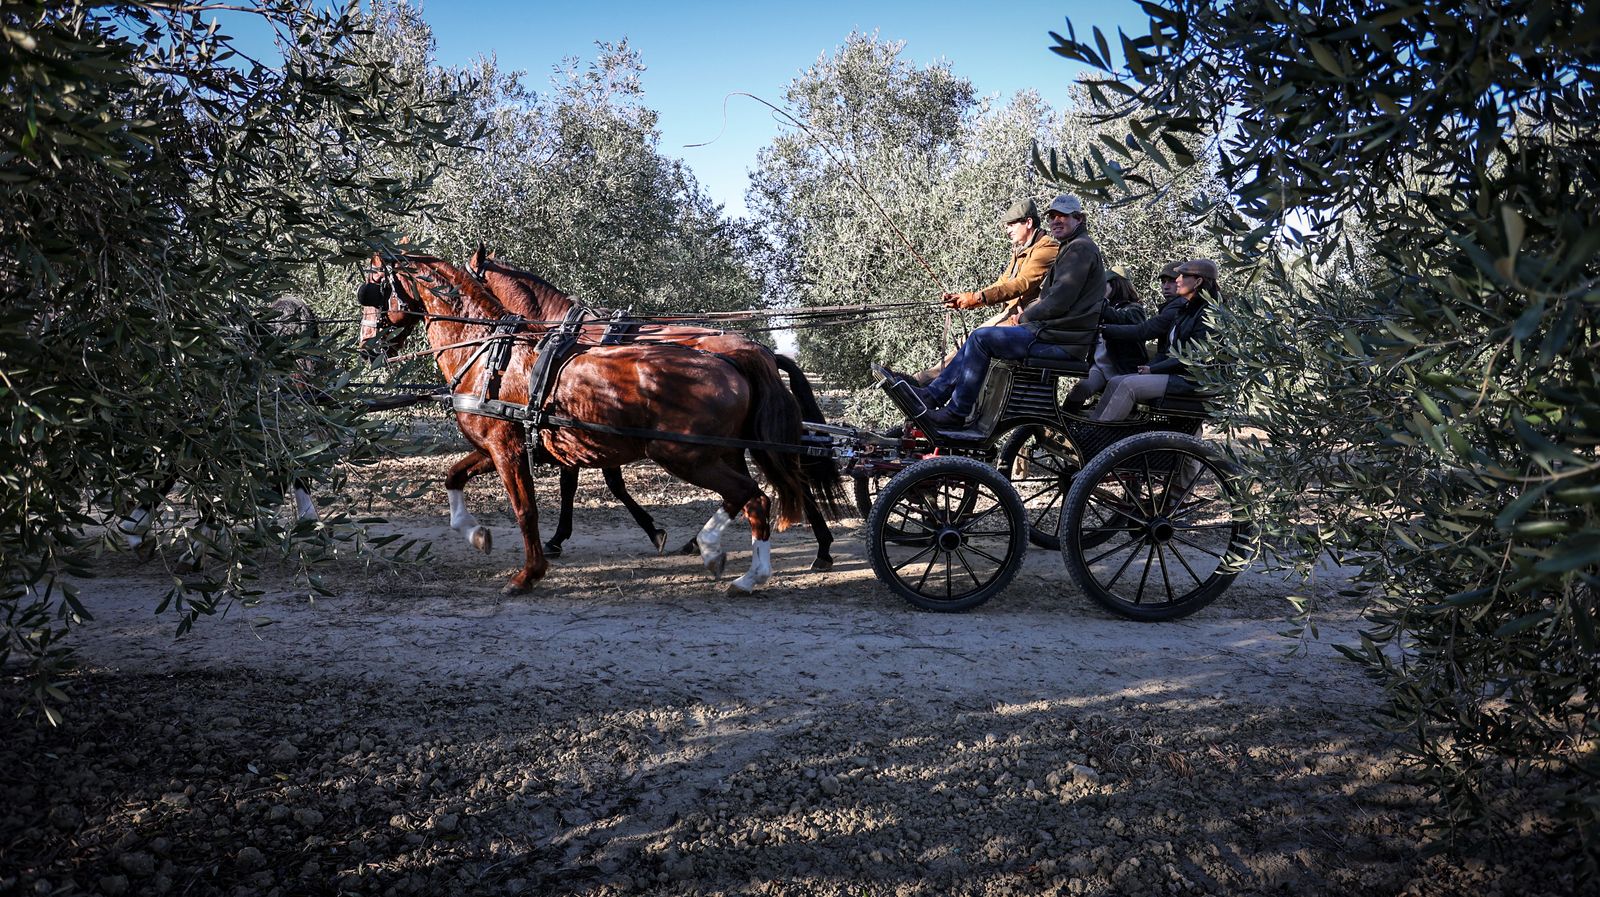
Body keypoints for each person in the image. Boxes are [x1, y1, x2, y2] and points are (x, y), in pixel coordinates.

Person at [875, 194, 1106, 429]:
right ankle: (931, 393)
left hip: (1061, 341)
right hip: (1054, 334)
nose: (1056, 221)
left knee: (981, 339)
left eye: (1063, 216)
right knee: (978, 337)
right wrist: (971, 299)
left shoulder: (1078, 250)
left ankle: (954, 410)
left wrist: (1024, 317)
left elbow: (1055, 301)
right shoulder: (1071, 247)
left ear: (1079, 219)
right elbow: (1036, 293)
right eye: (1052, 217)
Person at [913, 198, 1060, 384]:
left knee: (976, 339)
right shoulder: (1022, 249)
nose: (1008, 230)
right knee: (967, 338)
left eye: (1012, 224)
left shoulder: (1047, 248)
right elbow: (1003, 282)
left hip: (1028, 320)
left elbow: (1021, 284)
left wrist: (977, 298)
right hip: (1012, 313)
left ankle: (929, 387)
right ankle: (923, 380)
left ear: (1028, 222)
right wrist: (966, 299)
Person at [1093, 258, 1220, 422]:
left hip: (1193, 380)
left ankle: (1104, 432)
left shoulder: (1208, 314)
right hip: (1179, 374)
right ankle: (1094, 425)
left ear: (1198, 282)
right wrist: (1149, 367)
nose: (1178, 280)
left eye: (1181, 276)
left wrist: (1153, 370)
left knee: (1128, 386)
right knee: (1117, 380)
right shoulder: (1185, 309)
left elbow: (1194, 356)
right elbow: (1167, 350)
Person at [1058, 267, 1150, 412]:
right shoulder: (1103, 308)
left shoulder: (1134, 309)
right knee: (1081, 389)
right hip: (1100, 367)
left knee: (1108, 405)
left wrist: (1099, 303)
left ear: (1116, 285)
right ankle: (1061, 425)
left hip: (1122, 369)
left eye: (1103, 285)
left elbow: (1123, 319)